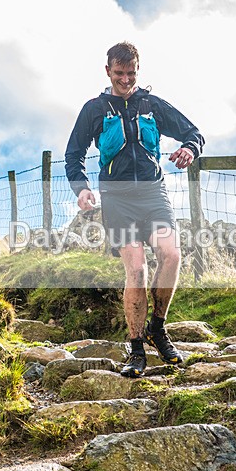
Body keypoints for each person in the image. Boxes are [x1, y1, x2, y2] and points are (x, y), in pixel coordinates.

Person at [65, 42, 205, 378]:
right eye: (119, 73)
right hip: (117, 197)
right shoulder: (95, 109)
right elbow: (74, 154)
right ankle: (137, 348)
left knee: (171, 255)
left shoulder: (151, 104)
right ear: (108, 72)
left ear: (137, 71)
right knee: (137, 269)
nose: (125, 80)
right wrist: (81, 188)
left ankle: (158, 328)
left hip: (153, 193)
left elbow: (193, 133)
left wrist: (189, 149)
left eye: (131, 73)